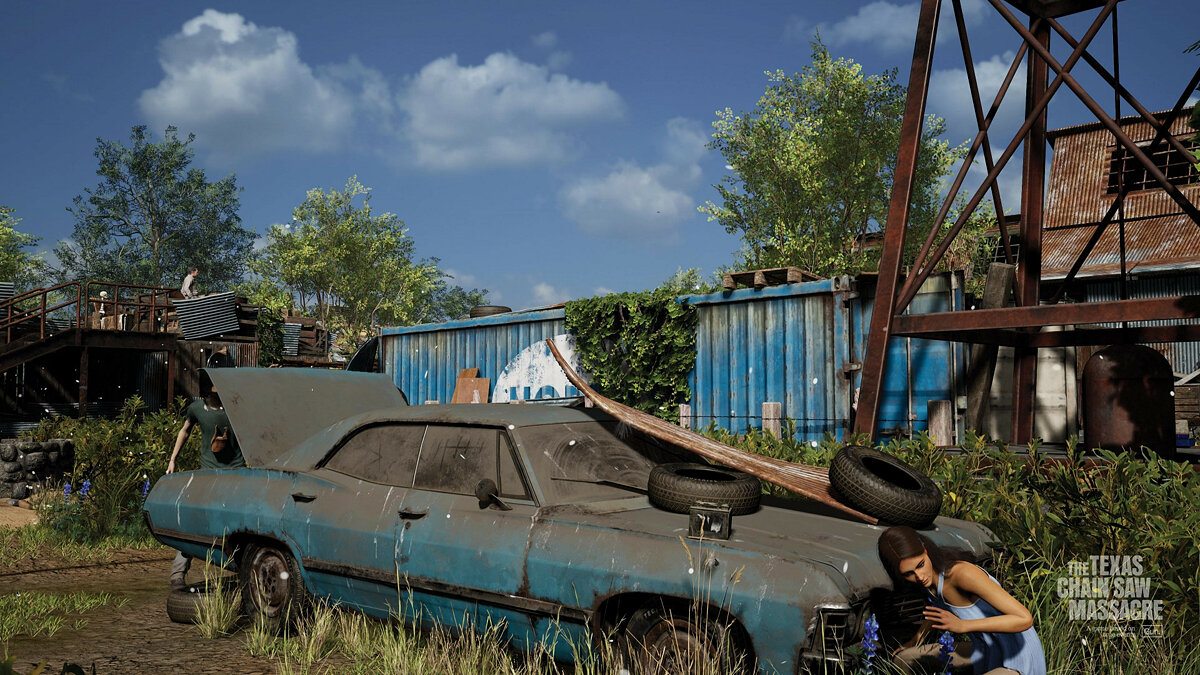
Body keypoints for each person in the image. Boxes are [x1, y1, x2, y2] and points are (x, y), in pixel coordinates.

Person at [878, 526, 1046, 675]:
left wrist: (963, 626)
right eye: (908, 573)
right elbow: (936, 609)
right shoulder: (928, 582)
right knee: (904, 659)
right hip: (984, 649)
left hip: (1017, 657)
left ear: (925, 549)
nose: (919, 576)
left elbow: (1025, 619)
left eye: (920, 565)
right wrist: (915, 641)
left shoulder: (962, 574)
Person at [165, 373, 245, 588]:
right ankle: (178, 573)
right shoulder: (197, 409)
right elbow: (184, 431)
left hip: (235, 472)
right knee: (196, 521)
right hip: (208, 473)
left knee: (236, 523)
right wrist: (173, 460)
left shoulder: (235, 407)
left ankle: (242, 569)